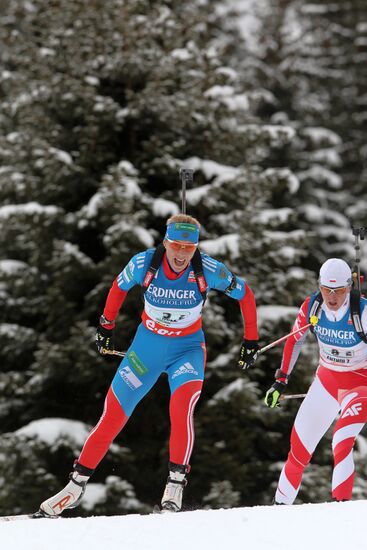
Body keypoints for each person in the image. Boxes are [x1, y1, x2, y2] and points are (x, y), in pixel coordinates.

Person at [39, 214, 259, 516]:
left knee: (181, 410)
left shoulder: (207, 268)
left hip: (188, 351)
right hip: (146, 349)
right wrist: (106, 327)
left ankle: (175, 485)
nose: (182, 254)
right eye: (177, 246)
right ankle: (75, 486)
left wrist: (251, 341)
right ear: (166, 243)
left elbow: (245, 295)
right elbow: (118, 287)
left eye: (189, 247)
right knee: (113, 415)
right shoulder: (144, 263)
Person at [264, 258, 367, 504]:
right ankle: (278, 510)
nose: (332, 298)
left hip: (359, 383)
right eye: (326, 290)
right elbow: (295, 340)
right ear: (319, 286)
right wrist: (281, 380)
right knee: (298, 449)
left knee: (341, 440)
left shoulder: (362, 311)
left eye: (339, 291)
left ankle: (339, 510)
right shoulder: (312, 307)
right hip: (327, 380)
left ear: (349, 287)